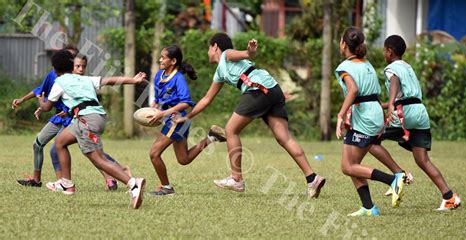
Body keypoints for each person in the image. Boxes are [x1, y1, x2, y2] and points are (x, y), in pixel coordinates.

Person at [174, 32, 325, 198]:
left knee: (230, 130)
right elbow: (206, 99)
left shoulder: (226, 54)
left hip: (259, 89)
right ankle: (312, 178)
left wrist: (249, 51)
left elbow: (246, 54)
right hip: (273, 89)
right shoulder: (219, 73)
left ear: (215, 47)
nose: (208, 53)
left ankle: (236, 178)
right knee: (284, 138)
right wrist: (186, 117)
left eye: (209, 48)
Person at [37, 49, 146, 209]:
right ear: (71, 66)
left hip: (86, 120)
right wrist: (133, 80)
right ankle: (67, 184)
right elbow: (110, 80)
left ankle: (133, 184)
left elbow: (46, 107)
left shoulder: (59, 82)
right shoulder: (85, 79)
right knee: (60, 142)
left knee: (98, 159)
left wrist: (41, 100)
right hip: (96, 116)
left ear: (54, 69)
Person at [368, 35, 461, 210]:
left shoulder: (391, 68)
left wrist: (391, 106)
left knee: (370, 139)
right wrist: (384, 104)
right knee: (422, 159)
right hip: (420, 112)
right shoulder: (408, 67)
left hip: (405, 113)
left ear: (389, 51)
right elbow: (407, 96)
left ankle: (399, 174)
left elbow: (394, 82)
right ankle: (449, 197)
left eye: (384, 50)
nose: (383, 53)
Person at [13, 46, 125, 191]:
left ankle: (109, 177)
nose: (76, 66)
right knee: (39, 144)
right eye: (74, 62)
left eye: (79, 64)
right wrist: (23, 100)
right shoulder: (53, 75)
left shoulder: (80, 79)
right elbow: (40, 90)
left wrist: (62, 110)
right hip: (58, 118)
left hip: (75, 119)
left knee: (84, 150)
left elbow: (81, 101)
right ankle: (38, 180)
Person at [335, 27, 406, 216]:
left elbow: (353, 91)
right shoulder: (366, 64)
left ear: (343, 44)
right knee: (349, 166)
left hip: (365, 117)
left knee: (349, 166)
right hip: (370, 113)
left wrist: (340, 115)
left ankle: (393, 179)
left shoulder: (344, 67)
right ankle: (368, 207)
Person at [147, 45, 226, 196]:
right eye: (161, 57)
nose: (160, 59)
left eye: (163, 57)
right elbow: (158, 98)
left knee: (154, 153)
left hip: (177, 121)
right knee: (183, 159)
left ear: (173, 61)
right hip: (171, 119)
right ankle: (211, 138)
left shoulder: (178, 79)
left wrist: (163, 113)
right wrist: (153, 108)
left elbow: (186, 103)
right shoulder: (159, 75)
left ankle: (166, 187)